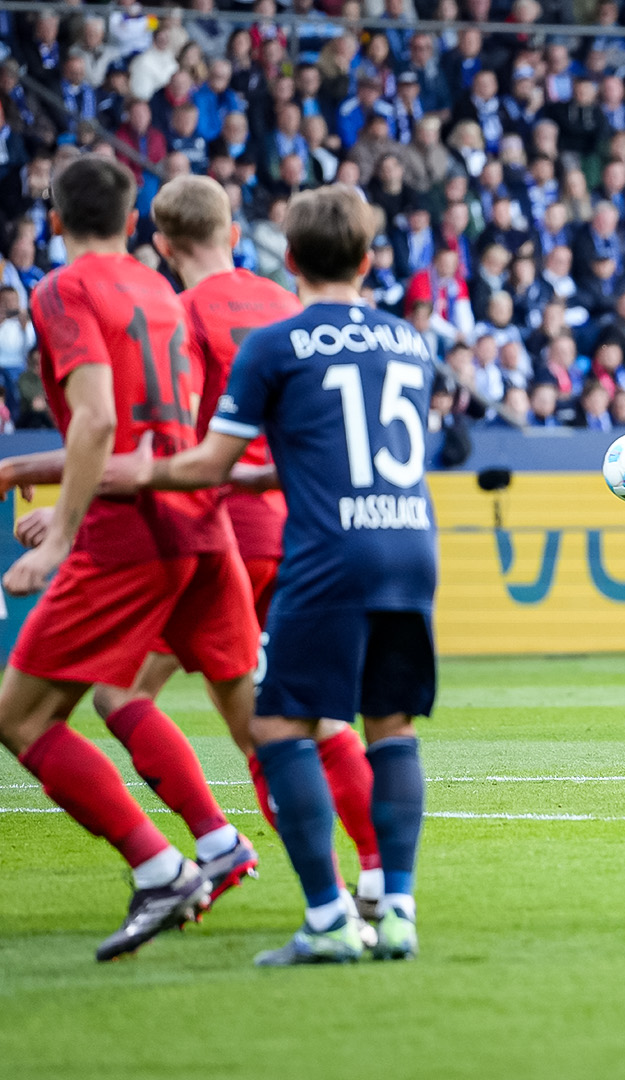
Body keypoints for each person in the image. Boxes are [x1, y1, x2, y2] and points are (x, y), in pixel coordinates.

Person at [3, 175, 390, 919]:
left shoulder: (171, 310)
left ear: (162, 241)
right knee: (299, 721)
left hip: (203, 519)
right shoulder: (287, 307)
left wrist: (56, 508)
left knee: (120, 694)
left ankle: (203, 847)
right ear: (236, 234)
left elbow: (156, 439)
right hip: (292, 530)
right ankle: (369, 879)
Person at [126, 185, 437, 963]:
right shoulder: (409, 342)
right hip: (410, 542)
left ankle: (328, 920)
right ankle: (396, 912)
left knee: (277, 728)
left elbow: (206, 462)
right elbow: (347, 456)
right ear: (368, 259)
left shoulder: (279, 343)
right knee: (390, 727)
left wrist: (118, 477)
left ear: (288, 260)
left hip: (329, 553)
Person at [0, 156, 261, 961]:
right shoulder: (161, 293)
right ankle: (286, 870)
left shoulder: (62, 289)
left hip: (129, 539)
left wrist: (67, 530)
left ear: (53, 214)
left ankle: (160, 865)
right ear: (133, 216)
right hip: (199, 526)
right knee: (253, 722)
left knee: (21, 716)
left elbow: (97, 422)